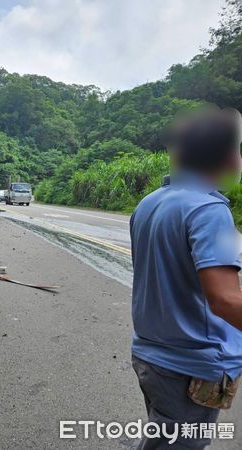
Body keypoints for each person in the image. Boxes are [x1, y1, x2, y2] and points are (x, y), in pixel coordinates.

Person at [130, 107, 242, 449]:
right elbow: (224, 298)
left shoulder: (149, 203)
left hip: (151, 357)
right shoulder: (210, 210)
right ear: (228, 159)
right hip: (191, 365)